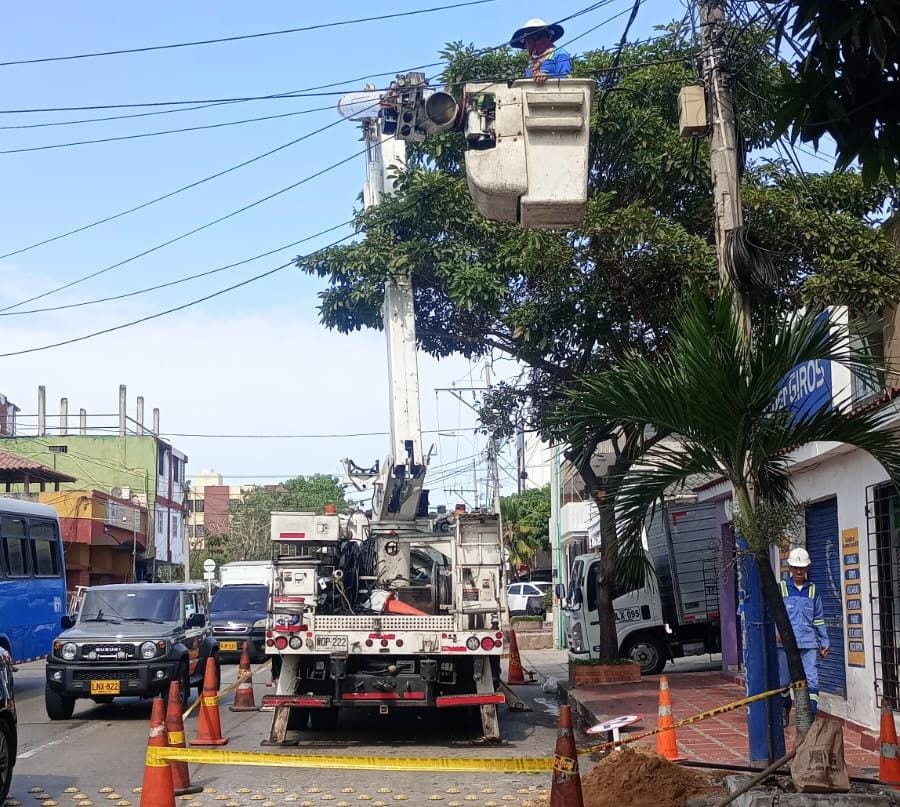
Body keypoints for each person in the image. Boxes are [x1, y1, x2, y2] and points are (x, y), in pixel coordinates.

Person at [778, 547, 829, 725]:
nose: (799, 571)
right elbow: (773, 615)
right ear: (790, 568)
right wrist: (777, 633)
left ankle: (811, 715)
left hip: (808, 643)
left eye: (802, 568)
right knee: (784, 681)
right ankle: (784, 710)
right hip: (785, 645)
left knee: (812, 680)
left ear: (807, 569)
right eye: (795, 568)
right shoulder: (782, 588)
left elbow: (819, 619)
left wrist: (824, 642)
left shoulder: (813, 590)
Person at [509, 18, 573, 85]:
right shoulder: (531, 64)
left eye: (541, 37)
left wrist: (548, 77)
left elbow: (566, 79)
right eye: (527, 42)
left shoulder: (559, 54)